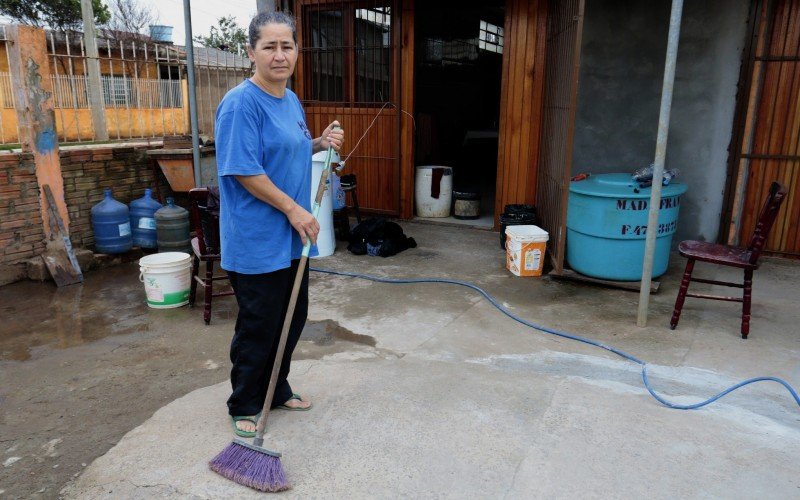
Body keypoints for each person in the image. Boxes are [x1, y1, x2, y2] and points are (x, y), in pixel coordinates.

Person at [214, 11, 344, 438]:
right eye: (269, 46)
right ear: (251, 52)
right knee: (259, 323)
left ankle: (277, 386)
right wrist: (293, 209)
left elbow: (285, 149)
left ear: (297, 52)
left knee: (292, 316)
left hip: (292, 237)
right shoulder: (240, 104)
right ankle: (246, 401)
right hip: (256, 238)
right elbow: (245, 170)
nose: (279, 54)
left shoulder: (290, 100)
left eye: (286, 45)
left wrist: (318, 143)